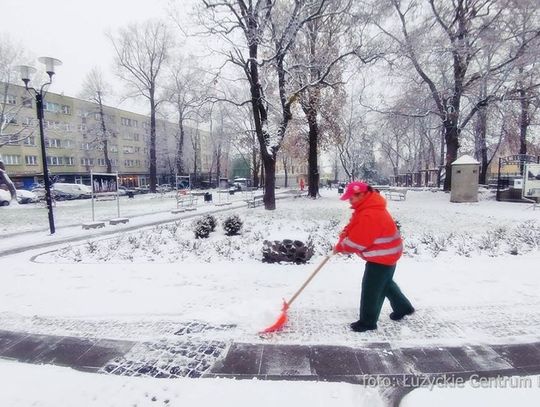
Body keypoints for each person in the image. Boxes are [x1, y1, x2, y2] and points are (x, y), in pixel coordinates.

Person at [333, 181, 414, 332]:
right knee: (384, 283)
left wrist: (341, 247)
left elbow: (358, 241)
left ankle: (368, 322)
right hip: (388, 255)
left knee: (371, 289)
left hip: (381, 257)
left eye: (351, 197)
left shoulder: (370, 214)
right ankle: (403, 307)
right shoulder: (366, 208)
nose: (349, 201)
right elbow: (354, 225)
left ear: (362, 194)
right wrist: (345, 233)